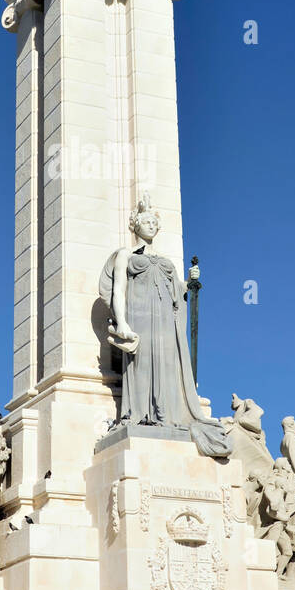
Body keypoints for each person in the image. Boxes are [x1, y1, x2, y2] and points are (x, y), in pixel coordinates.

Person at [99, 195, 230, 458]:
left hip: (164, 321)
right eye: (145, 221)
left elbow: (177, 296)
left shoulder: (166, 261)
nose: (150, 225)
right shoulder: (126, 254)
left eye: (153, 222)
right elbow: (118, 290)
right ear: (135, 226)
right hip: (140, 317)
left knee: (167, 365)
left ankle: (166, 414)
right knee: (142, 363)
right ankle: (139, 414)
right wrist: (122, 321)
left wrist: (189, 284)